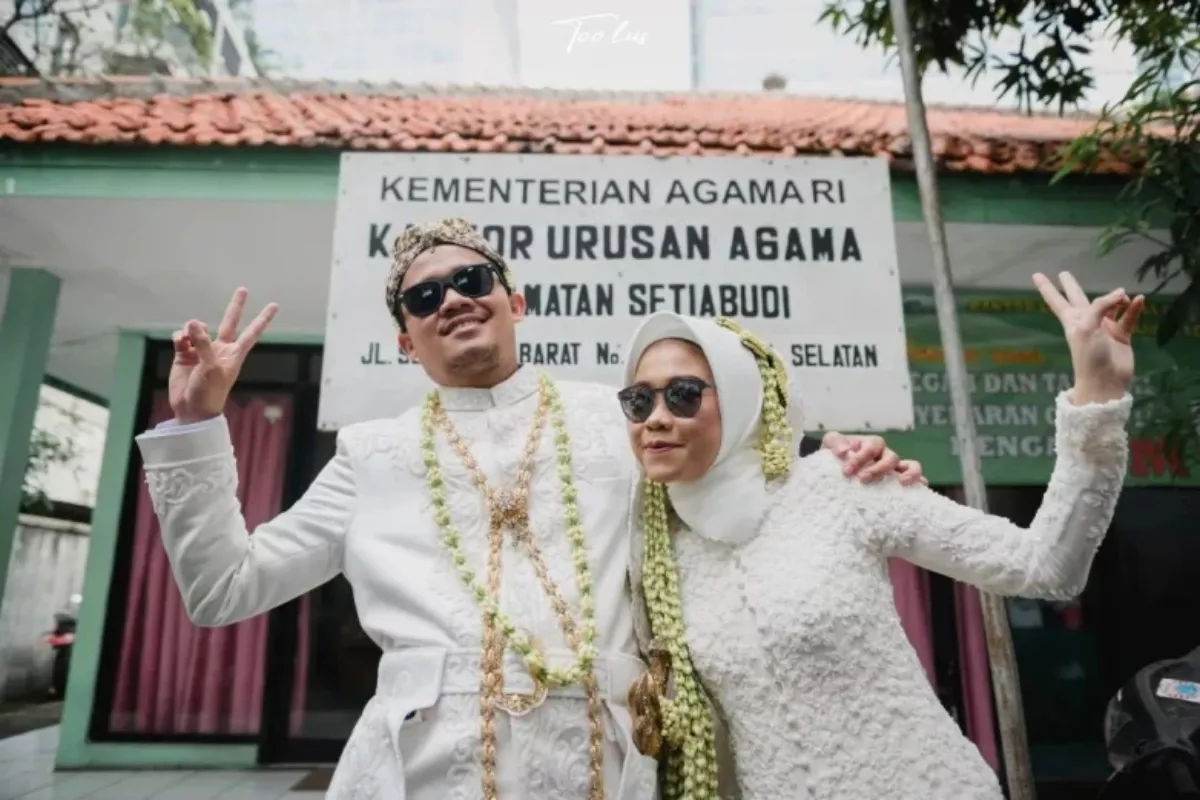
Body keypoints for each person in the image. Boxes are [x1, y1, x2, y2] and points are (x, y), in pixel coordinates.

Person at [135, 217, 923, 800]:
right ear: (407, 342)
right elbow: (223, 589)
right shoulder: (369, 456)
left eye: (472, 282)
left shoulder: (617, 425)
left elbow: (743, 491)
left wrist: (842, 464)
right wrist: (198, 425)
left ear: (516, 300)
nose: (452, 299)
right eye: (424, 296)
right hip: (421, 775)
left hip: (602, 768)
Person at [620, 272, 1141, 800]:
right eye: (639, 401)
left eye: (683, 395)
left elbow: (1046, 565)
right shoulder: (657, 554)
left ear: (739, 397)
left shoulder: (841, 485)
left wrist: (1096, 400)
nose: (656, 419)